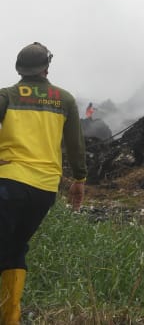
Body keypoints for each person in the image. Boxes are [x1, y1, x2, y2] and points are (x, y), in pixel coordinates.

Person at [0, 42, 86, 325]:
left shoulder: (7, 96)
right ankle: (10, 318)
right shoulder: (65, 100)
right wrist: (79, 180)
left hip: (8, 183)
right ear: (47, 67)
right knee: (14, 248)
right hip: (44, 190)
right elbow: (75, 147)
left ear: (18, 69)